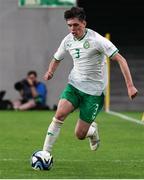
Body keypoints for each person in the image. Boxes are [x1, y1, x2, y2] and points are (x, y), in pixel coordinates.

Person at [42, 7, 138, 153]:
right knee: (59, 115)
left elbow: (121, 59)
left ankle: (92, 131)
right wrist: (50, 71)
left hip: (94, 93)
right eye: (69, 25)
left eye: (76, 25)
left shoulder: (97, 40)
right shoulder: (67, 40)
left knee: (79, 134)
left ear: (84, 23)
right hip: (74, 85)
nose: (72, 29)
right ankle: (45, 153)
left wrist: (130, 86)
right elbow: (57, 58)